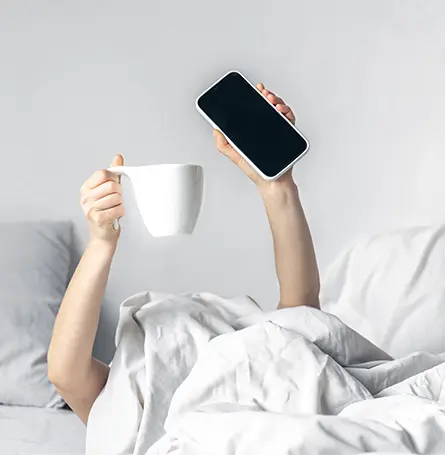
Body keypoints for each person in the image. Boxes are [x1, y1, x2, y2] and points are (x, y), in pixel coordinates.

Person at [47, 82, 320, 425]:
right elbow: (64, 374)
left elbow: (304, 317)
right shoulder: (131, 402)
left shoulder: (264, 353)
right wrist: (101, 242)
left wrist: (277, 185)